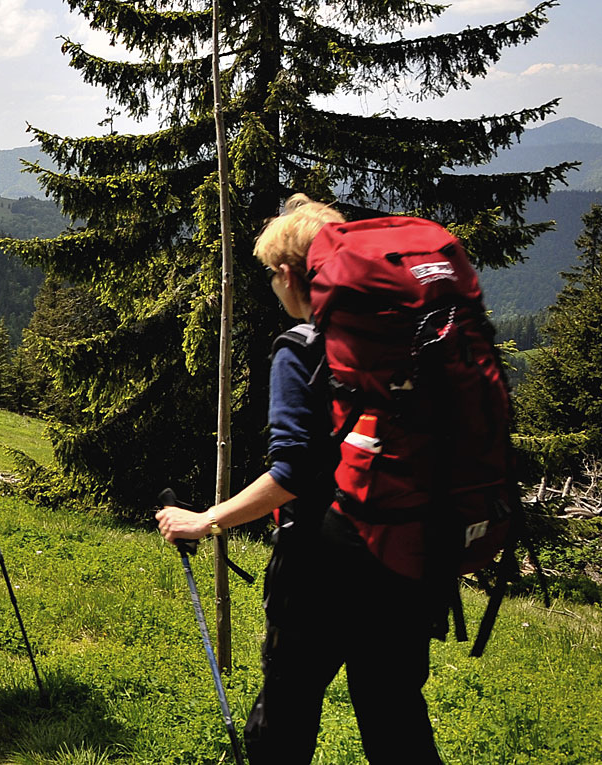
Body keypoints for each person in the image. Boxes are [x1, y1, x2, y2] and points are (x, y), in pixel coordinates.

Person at [156, 194, 446, 763]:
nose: (271, 283)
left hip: (322, 565)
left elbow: (292, 472)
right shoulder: (409, 343)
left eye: (270, 273)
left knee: (284, 721)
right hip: (408, 560)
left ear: (289, 274)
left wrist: (208, 519)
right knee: (398, 725)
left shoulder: (302, 350)